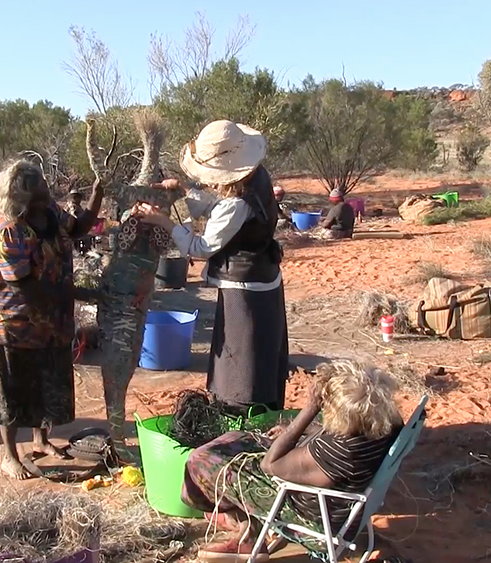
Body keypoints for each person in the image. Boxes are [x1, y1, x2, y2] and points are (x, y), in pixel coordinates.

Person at [133, 119, 289, 413]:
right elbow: (214, 204)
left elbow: (200, 247)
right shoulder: (257, 178)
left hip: (245, 290)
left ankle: (242, 414)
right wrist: (181, 192)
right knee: (260, 353)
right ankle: (261, 409)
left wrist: (162, 221)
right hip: (264, 279)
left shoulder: (236, 205)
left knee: (241, 359)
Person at [181, 360, 404, 560]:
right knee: (239, 439)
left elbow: (270, 465)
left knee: (200, 461)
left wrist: (309, 409)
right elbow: (340, 432)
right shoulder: (385, 422)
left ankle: (247, 531)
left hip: (312, 517)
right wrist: (298, 431)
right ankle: (243, 526)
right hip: (343, 505)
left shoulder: (338, 451)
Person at [0, 159, 103, 480]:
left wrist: (97, 193)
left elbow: (78, 228)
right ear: (20, 199)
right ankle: (9, 456)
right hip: (16, 325)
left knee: (44, 385)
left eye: (45, 191)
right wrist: (81, 295)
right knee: (13, 391)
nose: (47, 196)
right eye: (39, 193)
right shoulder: (7, 231)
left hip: (51, 322)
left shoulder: (49, 213)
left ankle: (41, 440)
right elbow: (26, 287)